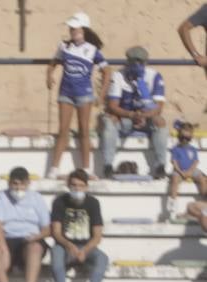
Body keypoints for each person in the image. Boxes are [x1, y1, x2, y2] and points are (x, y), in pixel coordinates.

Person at [46, 12, 106, 178]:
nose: (72, 31)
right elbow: (53, 63)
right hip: (65, 92)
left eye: (75, 28)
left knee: (84, 130)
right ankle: (54, 168)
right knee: (63, 130)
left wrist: (101, 95)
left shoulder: (93, 50)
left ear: (84, 29)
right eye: (71, 28)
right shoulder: (64, 46)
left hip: (84, 94)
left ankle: (87, 168)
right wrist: (49, 75)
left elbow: (106, 71)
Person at [0, 166, 51, 282]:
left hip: (30, 238)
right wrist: (4, 250)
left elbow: (47, 228)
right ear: (9, 183)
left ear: (28, 183)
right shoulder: (1, 197)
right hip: (6, 238)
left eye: (22, 184)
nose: (18, 187)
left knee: (35, 248)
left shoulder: (36, 198)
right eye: (15, 183)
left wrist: (36, 237)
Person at [99, 46, 168, 179]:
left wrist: (144, 116)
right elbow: (113, 106)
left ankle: (160, 165)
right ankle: (108, 164)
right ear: (128, 62)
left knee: (160, 121)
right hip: (125, 117)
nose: (137, 65)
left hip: (146, 118)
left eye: (140, 62)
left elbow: (159, 107)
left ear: (145, 62)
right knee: (109, 120)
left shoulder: (154, 76)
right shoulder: (118, 75)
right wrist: (131, 115)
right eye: (133, 61)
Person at [49, 169, 107, 282]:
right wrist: (69, 246)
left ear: (86, 187)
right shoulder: (59, 201)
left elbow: (97, 235)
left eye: (81, 186)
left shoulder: (93, 203)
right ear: (69, 186)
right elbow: (56, 232)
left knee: (102, 259)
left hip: (86, 245)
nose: (77, 189)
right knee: (56, 255)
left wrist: (84, 251)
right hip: (64, 246)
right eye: (74, 185)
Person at [169, 120, 207, 219]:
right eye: (183, 137)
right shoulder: (176, 149)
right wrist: (180, 172)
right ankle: (173, 204)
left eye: (187, 137)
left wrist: (190, 171)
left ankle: (205, 197)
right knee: (175, 180)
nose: (185, 139)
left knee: (202, 178)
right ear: (179, 136)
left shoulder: (193, 149)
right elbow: (174, 162)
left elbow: (195, 162)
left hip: (191, 170)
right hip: (179, 171)